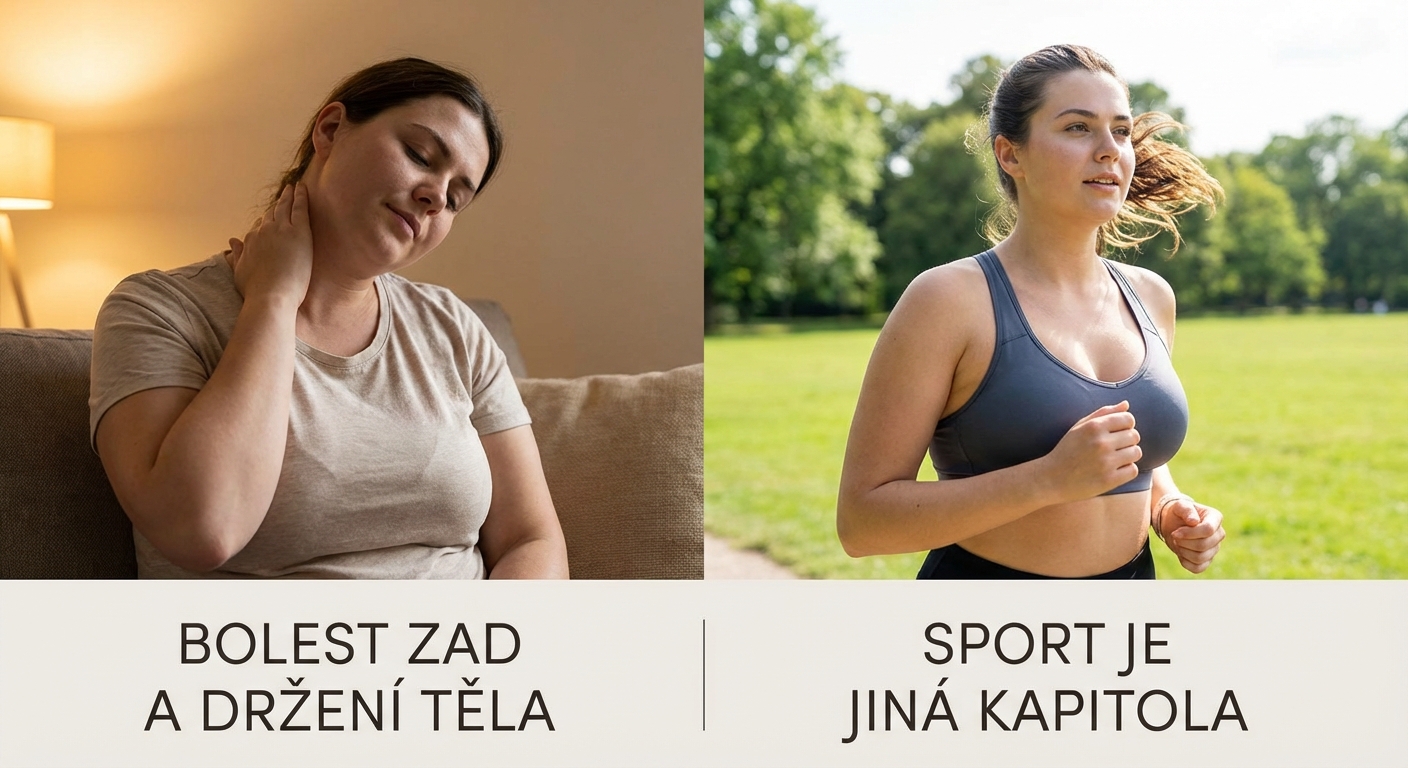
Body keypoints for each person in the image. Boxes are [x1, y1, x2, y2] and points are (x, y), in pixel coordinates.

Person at [90, 58, 569, 579]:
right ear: (331, 128)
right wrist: (273, 300)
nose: (435, 197)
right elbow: (203, 531)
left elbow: (531, 538)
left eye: (455, 199)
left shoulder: (454, 328)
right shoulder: (157, 310)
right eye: (419, 155)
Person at [836, 45, 1226, 579]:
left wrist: (1168, 507)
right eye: (1078, 128)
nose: (1110, 150)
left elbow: (1134, 460)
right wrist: (1045, 480)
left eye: (1120, 130)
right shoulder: (947, 300)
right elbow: (862, 523)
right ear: (1010, 155)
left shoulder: (1152, 296)